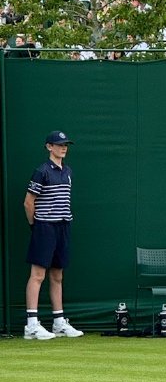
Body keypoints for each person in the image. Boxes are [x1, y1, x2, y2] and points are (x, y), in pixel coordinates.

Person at [24, 130, 84, 340]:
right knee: (38, 275)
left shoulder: (67, 171)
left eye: (65, 144)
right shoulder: (41, 171)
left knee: (57, 275)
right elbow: (28, 202)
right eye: (59, 144)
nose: (63, 147)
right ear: (49, 147)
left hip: (63, 226)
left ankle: (59, 322)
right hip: (44, 227)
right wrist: (36, 225)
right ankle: (31, 325)